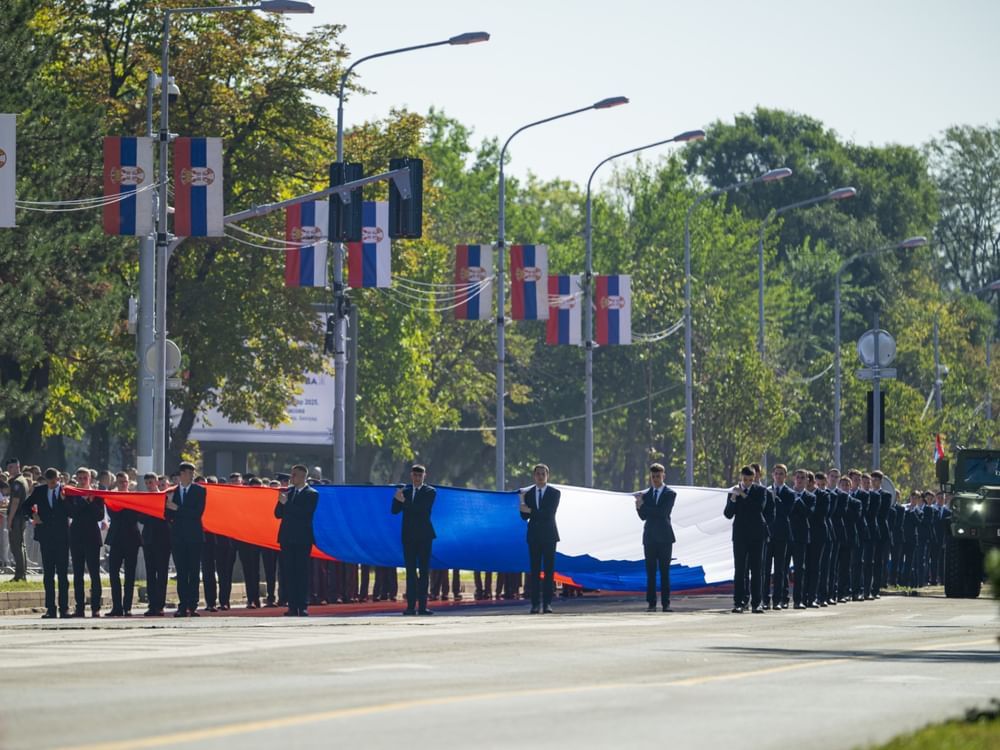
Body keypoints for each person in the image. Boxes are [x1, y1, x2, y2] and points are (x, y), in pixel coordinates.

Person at [23, 468, 71, 618]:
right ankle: (51, 608)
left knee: (62, 574)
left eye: (54, 480)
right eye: (49, 481)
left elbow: (72, 511)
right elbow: (25, 505)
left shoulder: (65, 492)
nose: (52, 484)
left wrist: (64, 500)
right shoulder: (39, 491)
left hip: (62, 537)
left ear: (59, 478)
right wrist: (33, 515)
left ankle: (64, 608)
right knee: (48, 574)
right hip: (46, 537)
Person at [392, 464, 437, 615]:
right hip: (409, 536)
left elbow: (421, 510)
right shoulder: (405, 491)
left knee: (424, 571)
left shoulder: (429, 491)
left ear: (424, 476)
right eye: (415, 475)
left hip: (424, 536)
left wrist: (404, 501)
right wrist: (397, 499)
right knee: (410, 572)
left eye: (420, 475)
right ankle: (410, 606)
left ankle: (423, 606)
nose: (417, 478)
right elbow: (394, 511)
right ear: (411, 475)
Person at [724, 465, 768, 614]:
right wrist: (734, 499)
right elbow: (728, 514)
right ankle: (739, 602)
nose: (748, 482)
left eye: (750, 479)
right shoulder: (734, 491)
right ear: (741, 478)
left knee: (756, 570)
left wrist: (744, 495)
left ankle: (757, 603)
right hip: (740, 535)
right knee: (740, 570)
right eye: (745, 479)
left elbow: (758, 508)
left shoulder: (760, 491)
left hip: (756, 535)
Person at [275, 464, 318, 616]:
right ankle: (292, 606)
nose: (291, 478)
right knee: (289, 573)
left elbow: (304, 514)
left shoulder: (311, 494)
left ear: (302, 477)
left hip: (302, 538)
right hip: (287, 537)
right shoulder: (288, 492)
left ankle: (303, 605)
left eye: (294, 475)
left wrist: (287, 504)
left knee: (301, 572)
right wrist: (281, 503)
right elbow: (278, 514)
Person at [165, 462, 206, 617]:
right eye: (189, 472)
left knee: (194, 572)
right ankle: (183, 605)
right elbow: (168, 516)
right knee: (181, 572)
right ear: (182, 474)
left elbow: (197, 513)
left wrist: (178, 509)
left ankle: (193, 605)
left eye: (192, 473)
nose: (191, 475)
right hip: (178, 537)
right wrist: (168, 505)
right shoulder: (173, 492)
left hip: (194, 537)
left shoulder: (199, 491)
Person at [634, 462, 676, 612]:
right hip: (650, 538)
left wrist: (644, 506)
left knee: (665, 572)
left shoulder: (670, 494)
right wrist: (639, 506)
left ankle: (666, 603)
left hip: (665, 538)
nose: (656, 479)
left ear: (663, 476)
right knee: (650, 572)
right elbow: (643, 516)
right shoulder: (646, 495)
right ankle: (651, 603)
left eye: (658, 476)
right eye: (653, 477)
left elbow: (662, 513)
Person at [520, 463, 560, 614]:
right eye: (538, 474)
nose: (540, 476)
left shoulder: (554, 493)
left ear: (547, 476)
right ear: (534, 476)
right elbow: (524, 516)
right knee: (534, 571)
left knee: (549, 571)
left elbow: (548, 513)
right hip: (534, 536)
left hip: (549, 536)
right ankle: (535, 604)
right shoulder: (529, 494)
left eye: (543, 474)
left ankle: (547, 603)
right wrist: (522, 502)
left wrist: (530, 510)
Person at [67, 467, 105, 617]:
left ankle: (95, 607)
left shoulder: (97, 495)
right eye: (80, 478)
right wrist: (84, 502)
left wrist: (90, 502)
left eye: (85, 478)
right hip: (77, 537)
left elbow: (99, 516)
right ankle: (80, 607)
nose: (83, 481)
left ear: (90, 479)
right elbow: (72, 513)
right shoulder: (72, 495)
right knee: (77, 574)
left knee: (94, 573)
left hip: (92, 538)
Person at [106, 473, 143, 617]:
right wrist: (123, 505)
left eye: (125, 482)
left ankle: (127, 607)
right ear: (117, 483)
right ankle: (117, 606)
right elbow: (114, 515)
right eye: (120, 482)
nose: (123, 484)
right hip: (116, 539)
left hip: (131, 539)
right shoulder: (112, 498)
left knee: (130, 574)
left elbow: (136, 517)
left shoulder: (134, 498)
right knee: (114, 574)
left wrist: (125, 505)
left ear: (129, 483)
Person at [765, 464, 795, 610]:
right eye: (776, 473)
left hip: (782, 535)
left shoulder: (789, 493)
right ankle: (765, 599)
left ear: (785, 476)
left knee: (779, 570)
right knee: (765, 569)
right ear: (772, 475)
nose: (778, 476)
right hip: (768, 535)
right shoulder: (766, 491)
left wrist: (776, 499)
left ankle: (778, 600)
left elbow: (787, 512)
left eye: (781, 474)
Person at [140, 473, 171, 617]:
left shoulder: (164, 497)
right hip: (149, 540)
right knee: (150, 573)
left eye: (151, 482)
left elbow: (169, 516)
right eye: (147, 483)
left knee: (162, 573)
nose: (149, 485)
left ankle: (160, 605)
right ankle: (152, 604)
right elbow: (141, 518)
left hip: (163, 540)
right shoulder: (144, 499)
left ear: (157, 482)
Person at [5, 458, 30, 582]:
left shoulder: (17, 483)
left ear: (17, 467)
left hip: (17, 517)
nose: (9, 470)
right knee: (20, 545)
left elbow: (15, 502)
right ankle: (22, 573)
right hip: (21, 516)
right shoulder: (22, 480)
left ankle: (19, 574)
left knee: (16, 545)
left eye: (11, 467)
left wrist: (9, 520)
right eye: (8, 467)